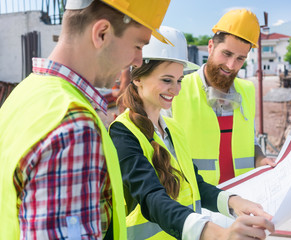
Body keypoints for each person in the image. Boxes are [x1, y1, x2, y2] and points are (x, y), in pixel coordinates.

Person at [0, 0, 172, 239]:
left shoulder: (26, 93)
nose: (139, 61)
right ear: (102, 33)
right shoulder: (73, 125)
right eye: (138, 45)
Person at [109, 26, 274, 240]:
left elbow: (195, 184)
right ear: (138, 77)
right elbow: (152, 199)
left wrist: (234, 202)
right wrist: (217, 235)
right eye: (167, 80)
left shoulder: (173, 129)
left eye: (179, 80)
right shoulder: (122, 133)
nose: (176, 89)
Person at [171, 9, 276, 186]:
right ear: (211, 46)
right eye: (226, 54)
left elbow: (251, 141)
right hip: (195, 202)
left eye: (240, 59)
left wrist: (260, 159)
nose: (231, 65)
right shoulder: (177, 89)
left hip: (240, 199)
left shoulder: (247, 90)